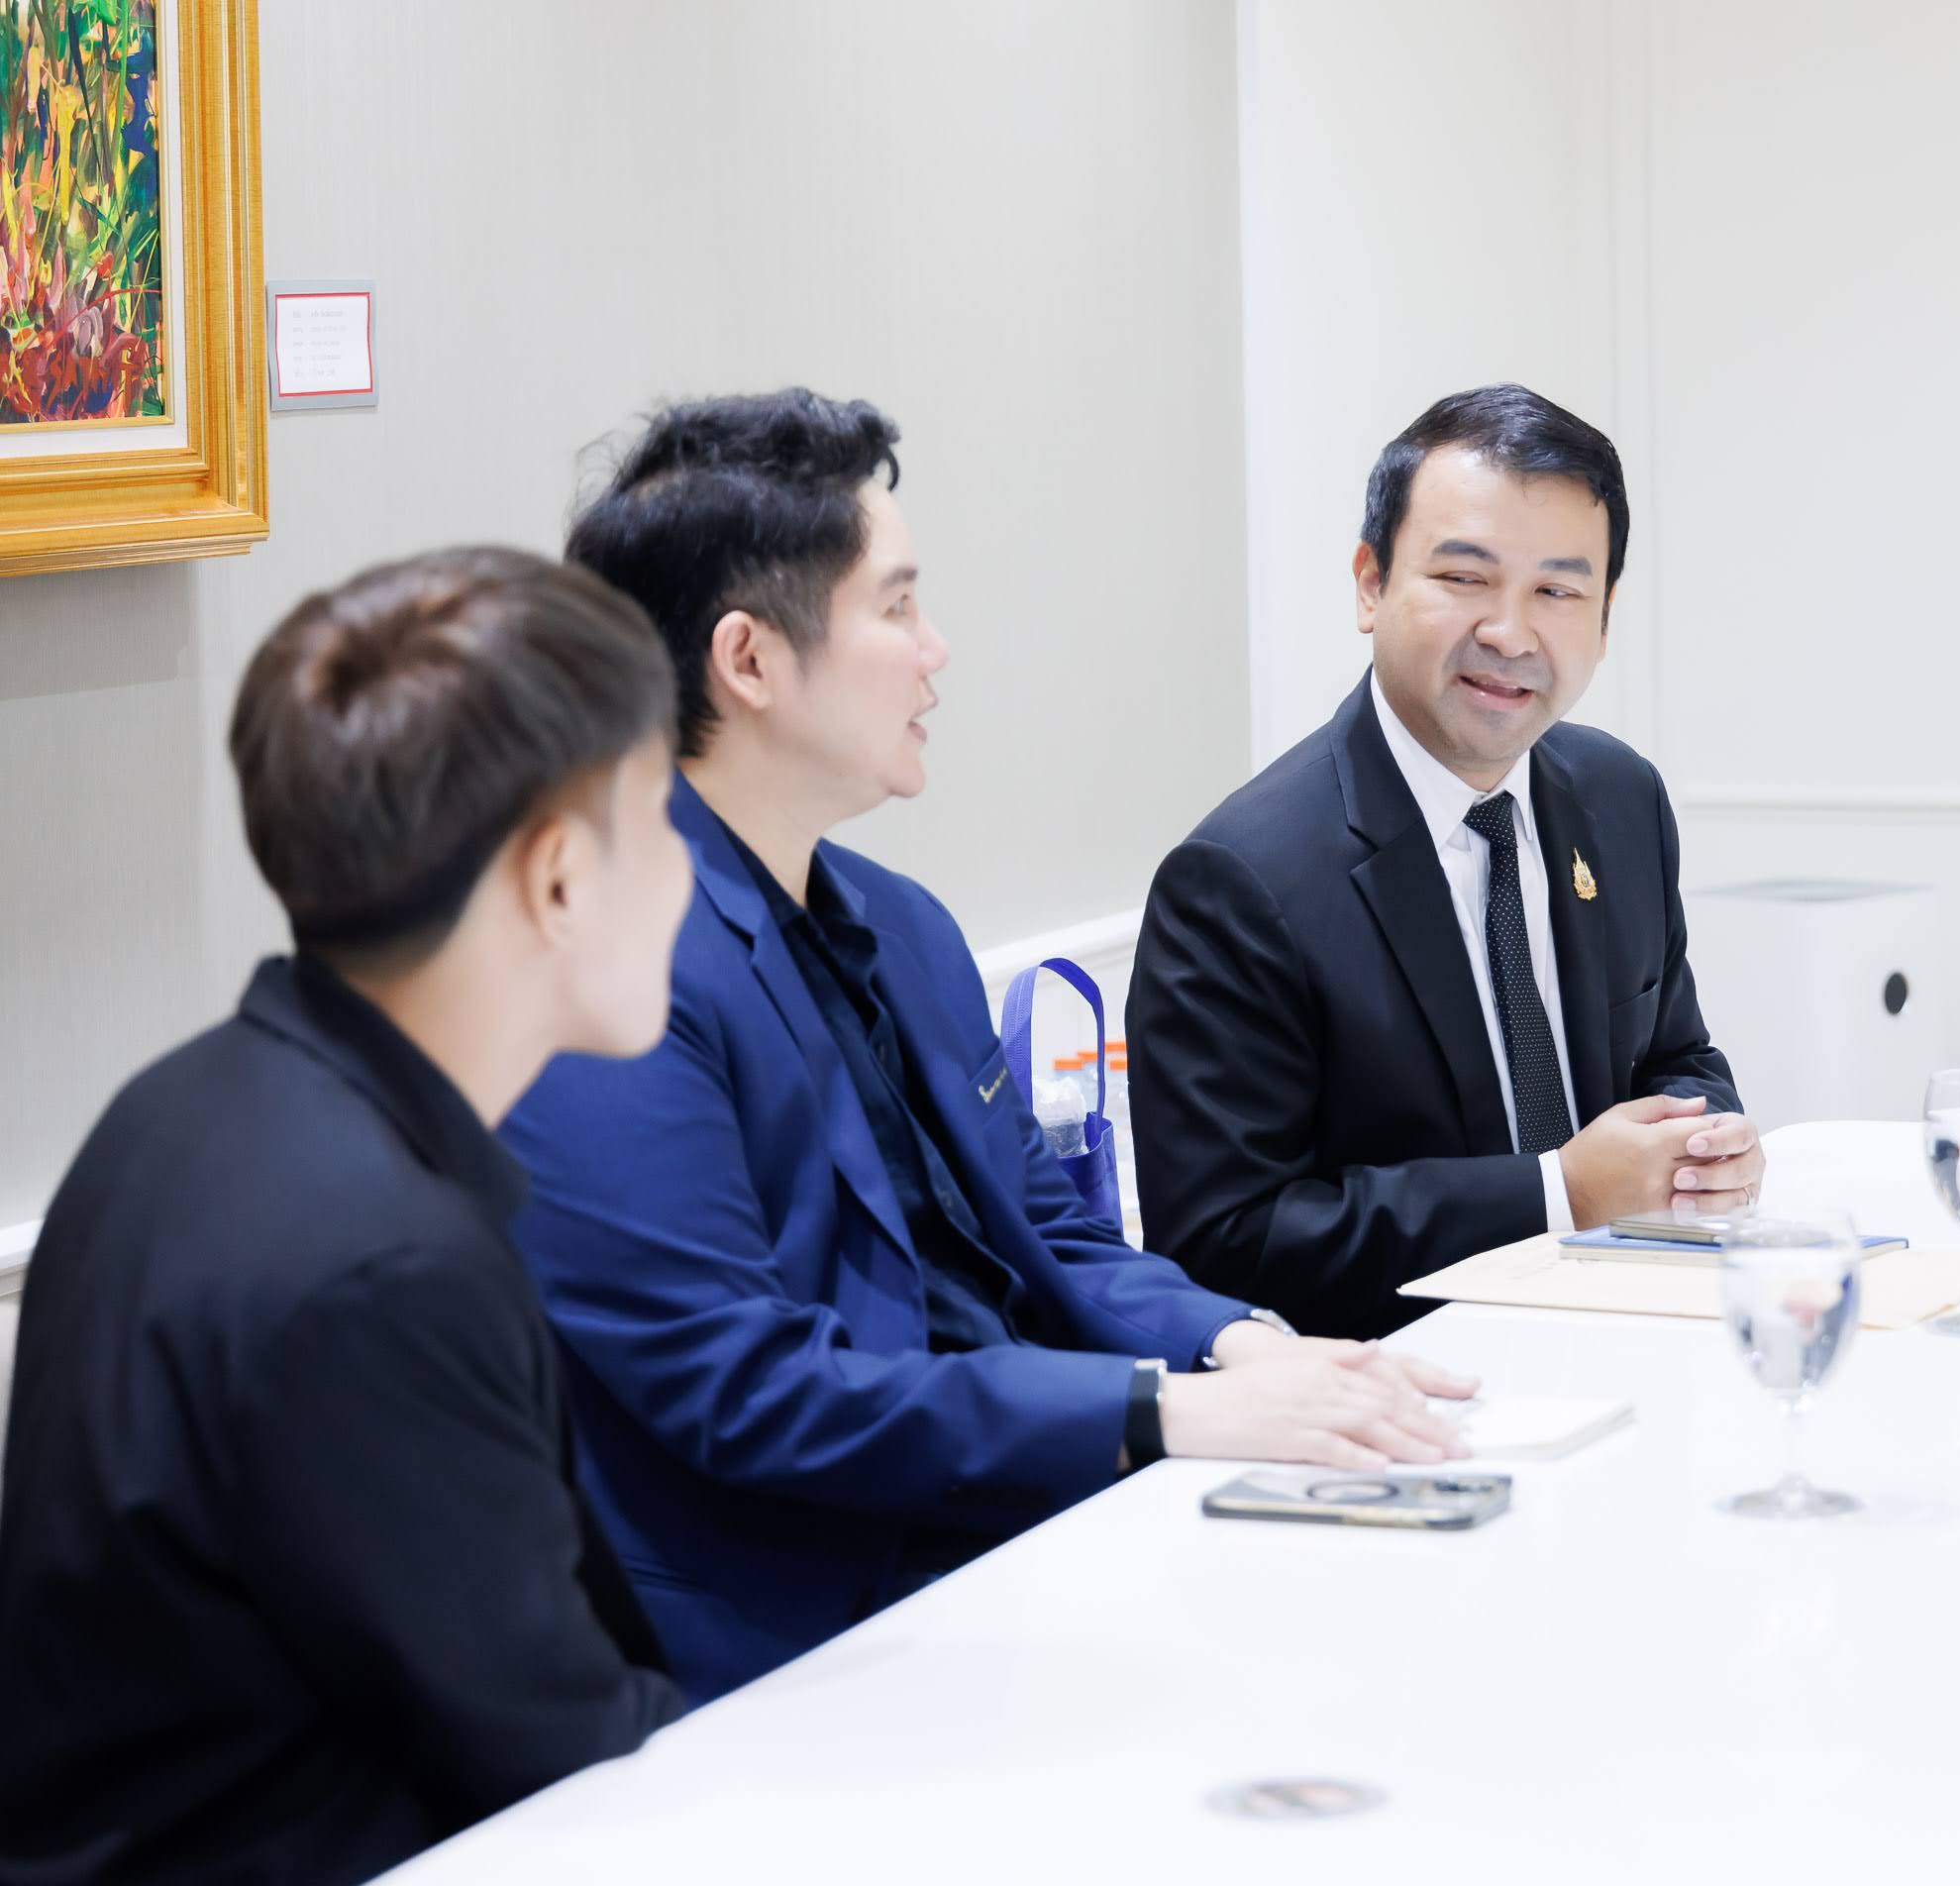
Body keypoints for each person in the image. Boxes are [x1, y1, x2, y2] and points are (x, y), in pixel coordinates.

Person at [502, 389, 1474, 1703]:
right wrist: (1159, 1414)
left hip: (1028, 1528)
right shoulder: (605, 969)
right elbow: (748, 1388)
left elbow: (1049, 1233)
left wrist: (1244, 1345)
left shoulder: (899, 924)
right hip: (804, 1625)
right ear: (749, 661)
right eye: (898, 607)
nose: (936, 650)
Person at [0, 550, 688, 1885]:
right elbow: (564, 1761)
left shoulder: (185, 1102)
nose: (683, 874)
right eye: (661, 819)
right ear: (557, 880)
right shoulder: (381, 1265)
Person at [1131, 383, 1754, 1340]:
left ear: (1603, 618)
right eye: (1465, 578)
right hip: (1410, 1380)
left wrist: (1703, 1143)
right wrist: (1556, 1194)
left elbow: (1674, 1054)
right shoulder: (1239, 879)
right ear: (1370, 583)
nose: (1510, 633)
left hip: (1637, 1330)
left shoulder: (1622, 798)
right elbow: (1227, 1242)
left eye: (1557, 591)